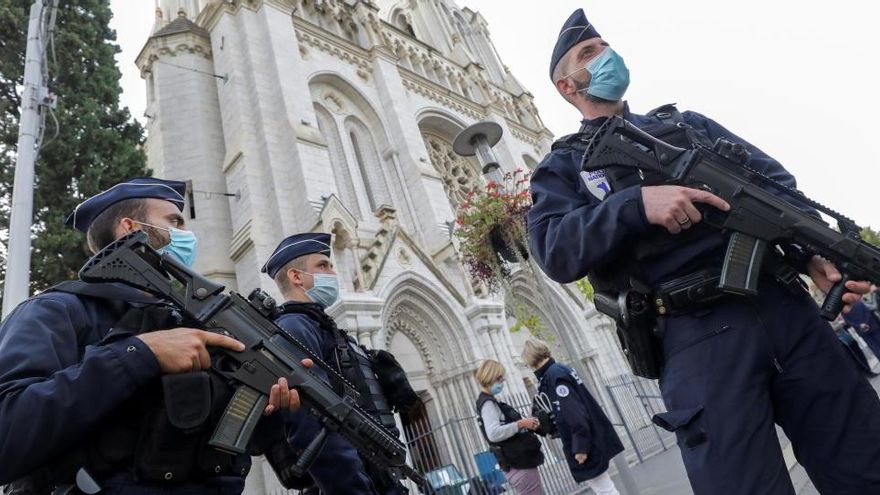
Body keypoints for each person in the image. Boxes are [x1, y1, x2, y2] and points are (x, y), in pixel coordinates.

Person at [527, 8, 880, 494]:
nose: (606, 57)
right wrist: (634, 205)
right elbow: (553, 249)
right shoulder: (563, 167)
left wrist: (810, 253)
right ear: (567, 87)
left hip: (786, 312)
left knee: (866, 466)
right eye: (589, 54)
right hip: (694, 336)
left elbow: (778, 190)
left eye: (606, 47)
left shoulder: (687, 126)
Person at [0, 177, 304, 494]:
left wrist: (272, 408)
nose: (187, 235)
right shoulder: (58, 311)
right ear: (132, 229)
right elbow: (8, 435)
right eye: (173, 221)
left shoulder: (192, 326)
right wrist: (139, 354)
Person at [262, 233, 411, 495]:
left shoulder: (320, 326)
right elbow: (312, 423)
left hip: (377, 475)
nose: (333, 272)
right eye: (322, 265)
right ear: (296, 277)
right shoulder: (294, 327)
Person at [520, 340, 622, 495]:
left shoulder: (554, 375)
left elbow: (574, 415)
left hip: (585, 441)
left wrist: (581, 448)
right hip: (588, 437)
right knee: (604, 489)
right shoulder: (559, 371)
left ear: (530, 360)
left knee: (605, 490)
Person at [474, 359, 544, 495]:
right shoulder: (487, 404)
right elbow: (493, 433)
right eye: (500, 379)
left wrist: (524, 423)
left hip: (516, 463)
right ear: (491, 377)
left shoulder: (489, 401)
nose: (503, 382)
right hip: (518, 464)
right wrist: (520, 424)